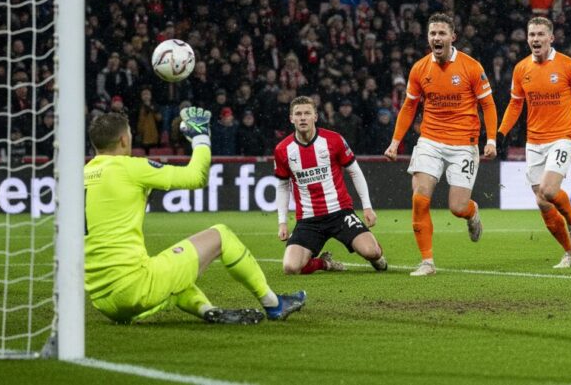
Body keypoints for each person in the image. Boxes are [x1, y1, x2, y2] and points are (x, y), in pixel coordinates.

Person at [84, 109, 306, 325]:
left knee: (173, 272)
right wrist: (200, 138)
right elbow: (196, 177)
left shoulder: (80, 176)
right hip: (135, 287)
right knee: (221, 234)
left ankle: (209, 311)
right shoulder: (130, 167)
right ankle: (274, 304)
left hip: (103, 302)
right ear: (124, 140)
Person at [385, 12, 498, 276]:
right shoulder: (420, 68)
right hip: (430, 141)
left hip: (464, 143)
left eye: (441, 33)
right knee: (420, 198)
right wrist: (395, 142)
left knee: (457, 207)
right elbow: (409, 106)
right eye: (433, 33)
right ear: (428, 38)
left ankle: (472, 213)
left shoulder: (471, 67)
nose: (437, 38)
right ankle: (427, 262)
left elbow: (488, 105)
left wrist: (491, 139)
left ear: (452, 37)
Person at [497, 16, 571, 269]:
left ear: (551, 38)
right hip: (534, 141)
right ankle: (569, 253)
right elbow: (515, 104)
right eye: (532, 35)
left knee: (550, 190)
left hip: (563, 137)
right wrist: (500, 133)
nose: (535, 39)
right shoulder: (521, 69)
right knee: (542, 201)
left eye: (541, 34)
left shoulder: (568, 65)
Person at [274, 96, 387, 274]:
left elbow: (355, 172)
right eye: (298, 114)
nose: (303, 118)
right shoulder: (282, 149)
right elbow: (282, 186)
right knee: (290, 268)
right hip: (308, 220)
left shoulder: (333, 140)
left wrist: (367, 207)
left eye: (307, 113)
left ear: (315, 117)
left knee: (371, 252)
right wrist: (282, 222)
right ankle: (324, 264)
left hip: (340, 213)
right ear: (291, 118)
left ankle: (377, 256)